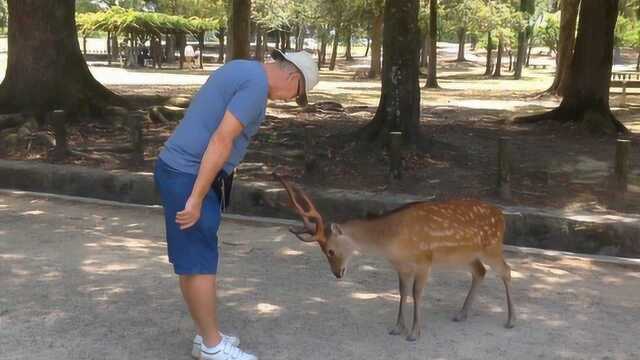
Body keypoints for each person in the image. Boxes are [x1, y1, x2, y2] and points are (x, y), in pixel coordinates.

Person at [154, 50, 319, 360]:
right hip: (189, 174)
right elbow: (221, 140)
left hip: (183, 170)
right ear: (293, 77)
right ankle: (213, 347)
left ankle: (207, 337)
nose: (289, 101)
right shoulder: (256, 87)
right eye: (298, 96)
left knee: (196, 260)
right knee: (200, 263)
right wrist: (197, 197)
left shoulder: (243, 69)